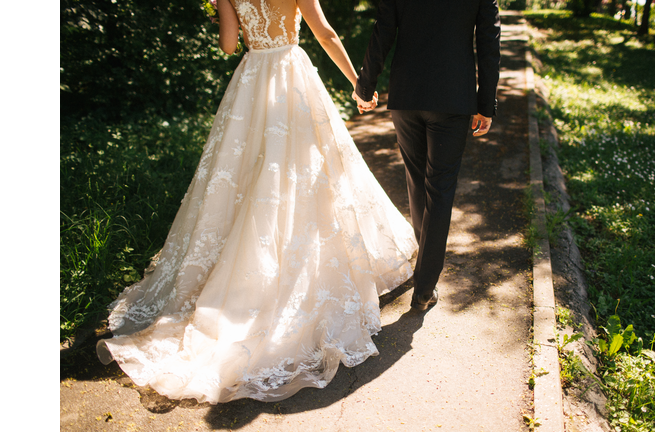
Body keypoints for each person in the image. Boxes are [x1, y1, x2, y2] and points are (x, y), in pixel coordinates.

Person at [96, 0, 418, 404]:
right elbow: (325, 33)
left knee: (246, 176)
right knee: (307, 171)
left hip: (253, 79)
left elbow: (230, 46)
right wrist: (358, 80)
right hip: (291, 76)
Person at [353, 0, 501, 310]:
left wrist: (365, 86)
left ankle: (425, 275)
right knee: (440, 188)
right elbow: (489, 41)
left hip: (407, 94)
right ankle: (424, 286)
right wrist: (485, 105)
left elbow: (383, 30)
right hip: (452, 97)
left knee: (418, 183)